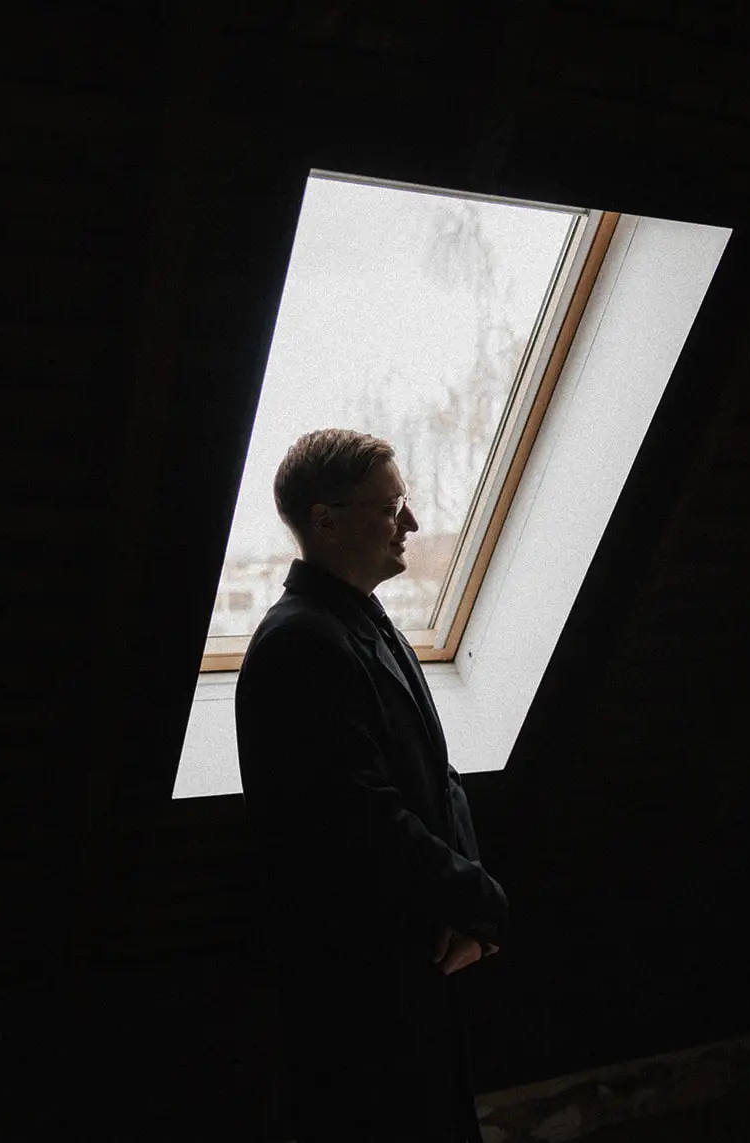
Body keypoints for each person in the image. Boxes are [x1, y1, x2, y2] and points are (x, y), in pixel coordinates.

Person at [235, 428, 508, 1142]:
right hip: (359, 984)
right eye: (392, 507)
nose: (411, 523)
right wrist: (479, 897)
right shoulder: (298, 643)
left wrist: (467, 902)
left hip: (415, 961)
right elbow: (359, 820)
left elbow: (438, 774)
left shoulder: (364, 620)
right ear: (325, 519)